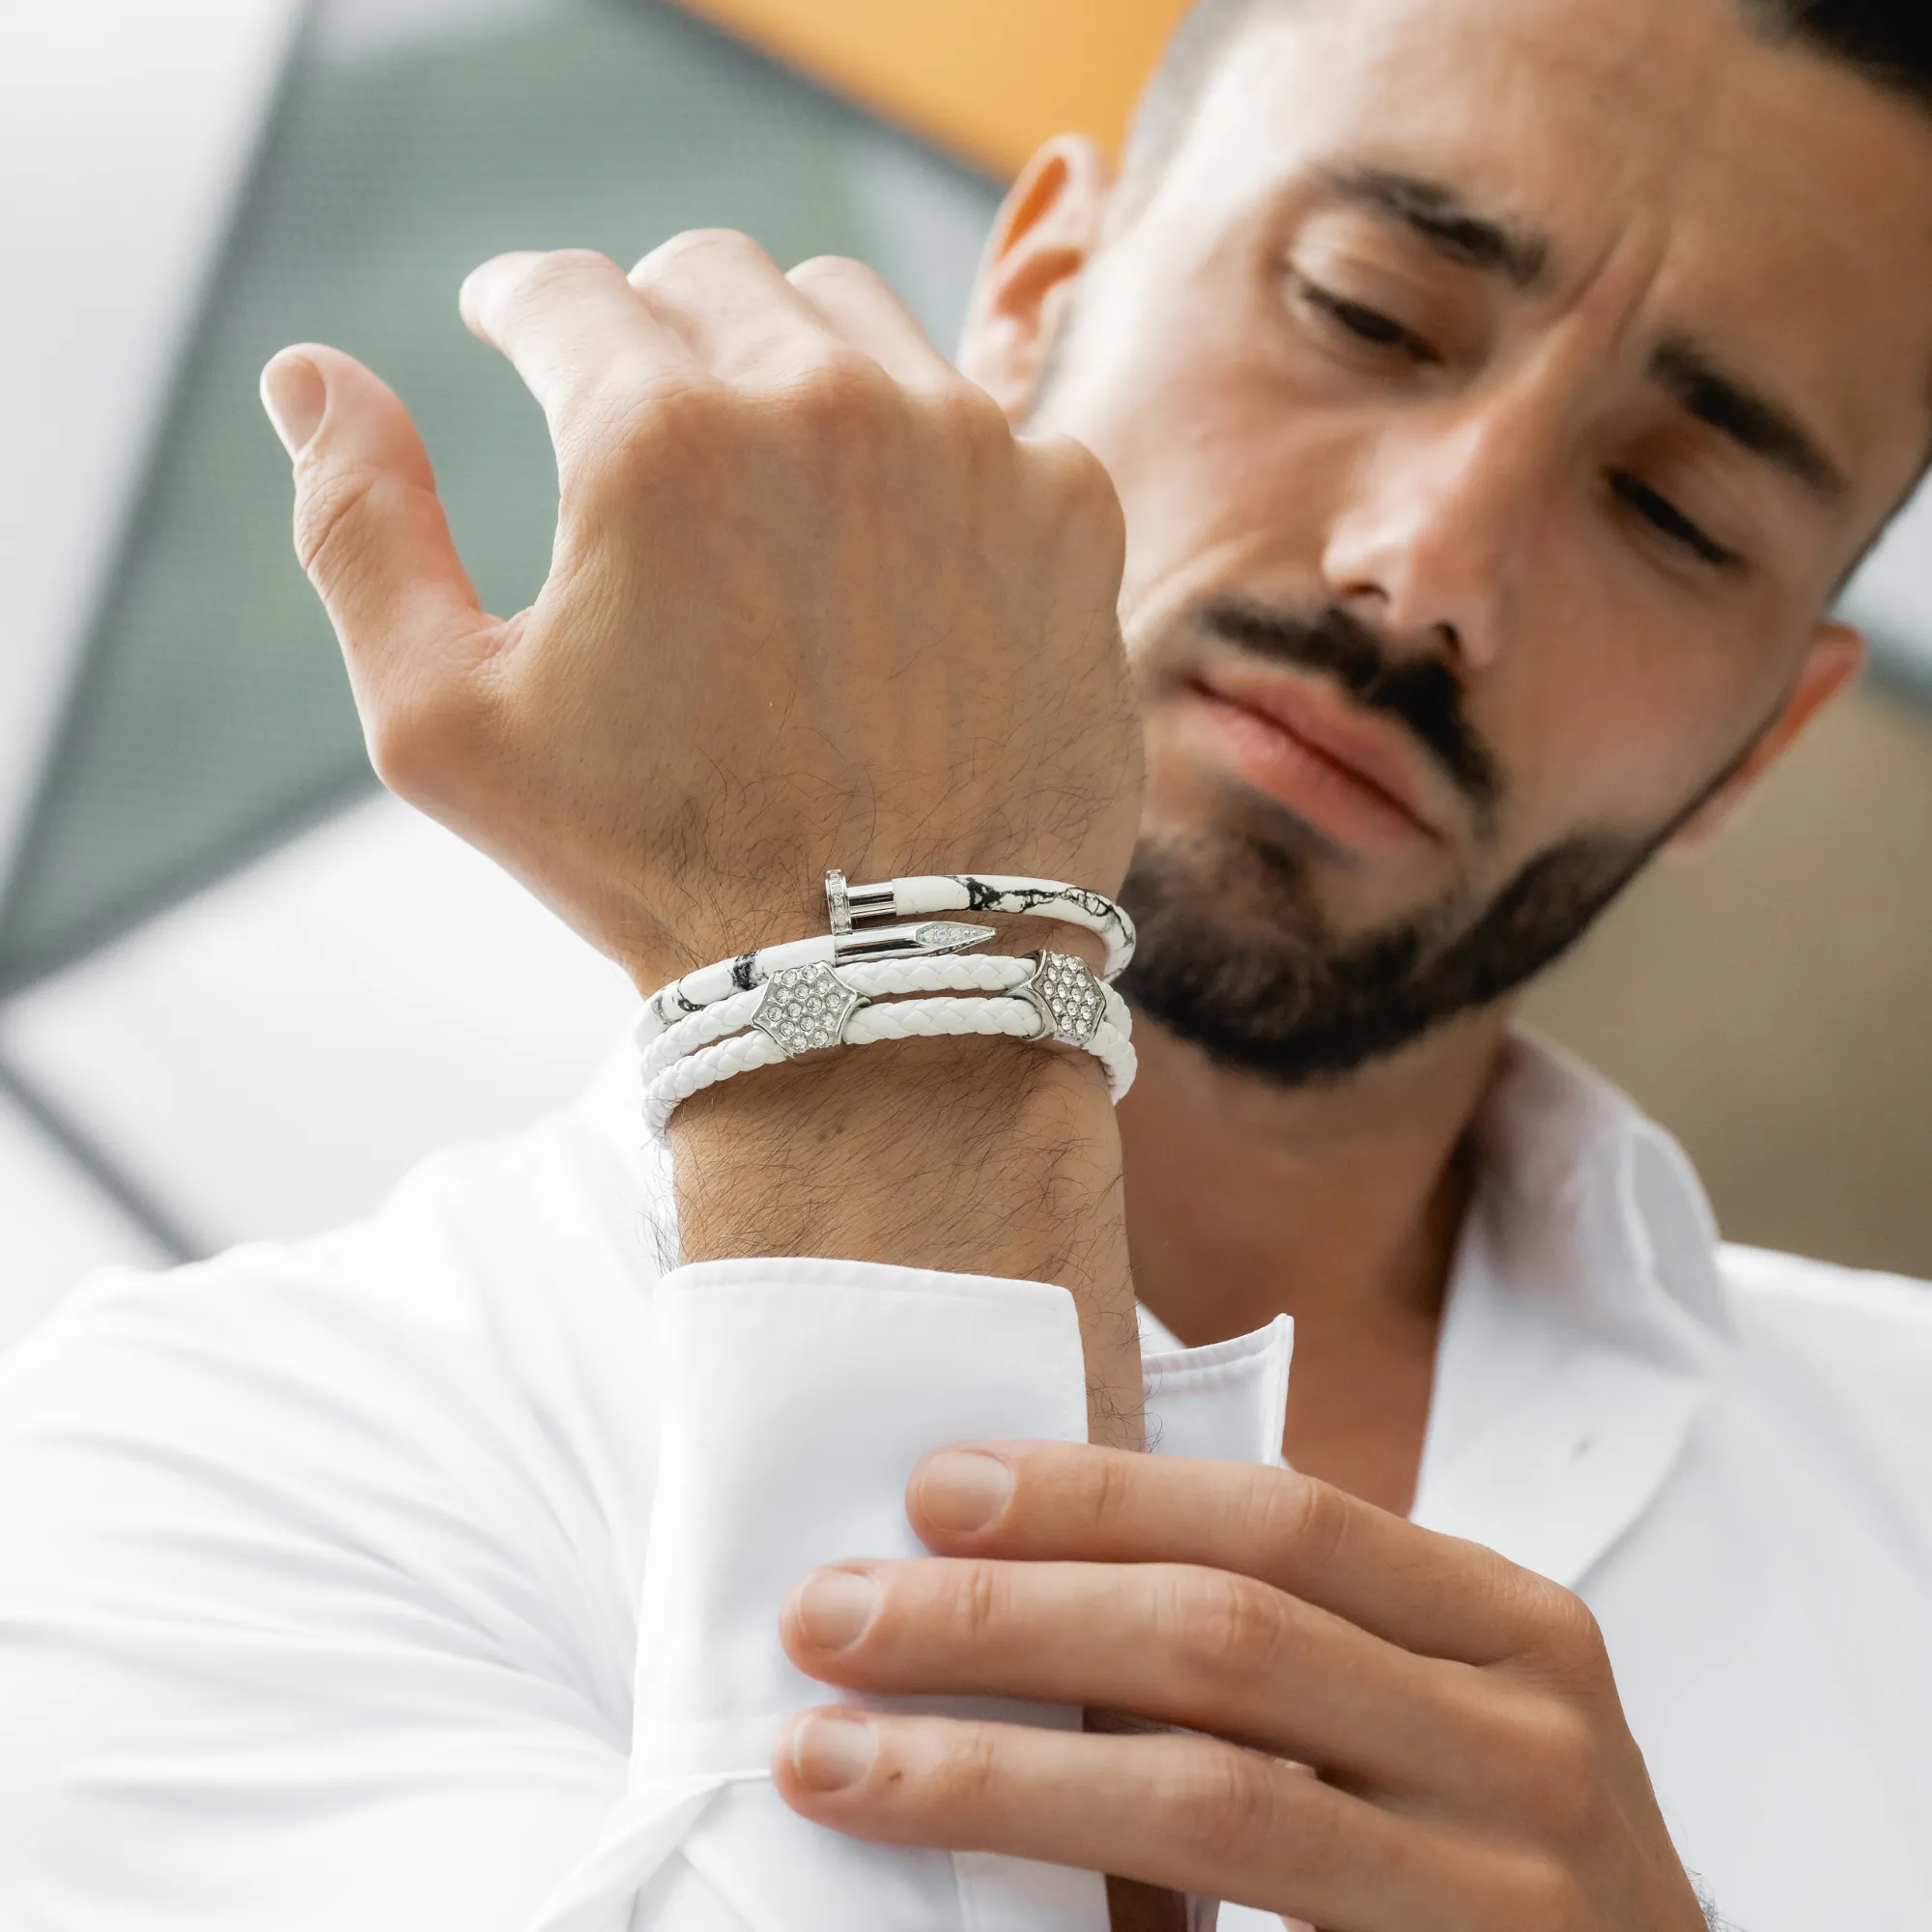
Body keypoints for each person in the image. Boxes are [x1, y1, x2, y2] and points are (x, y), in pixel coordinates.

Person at [3, 0, 1930, 1924]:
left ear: (1764, 734)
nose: (1428, 566)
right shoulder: (195, 1470)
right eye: (1362, 310)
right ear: (1033, 291)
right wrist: (892, 1036)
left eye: (1676, 511)